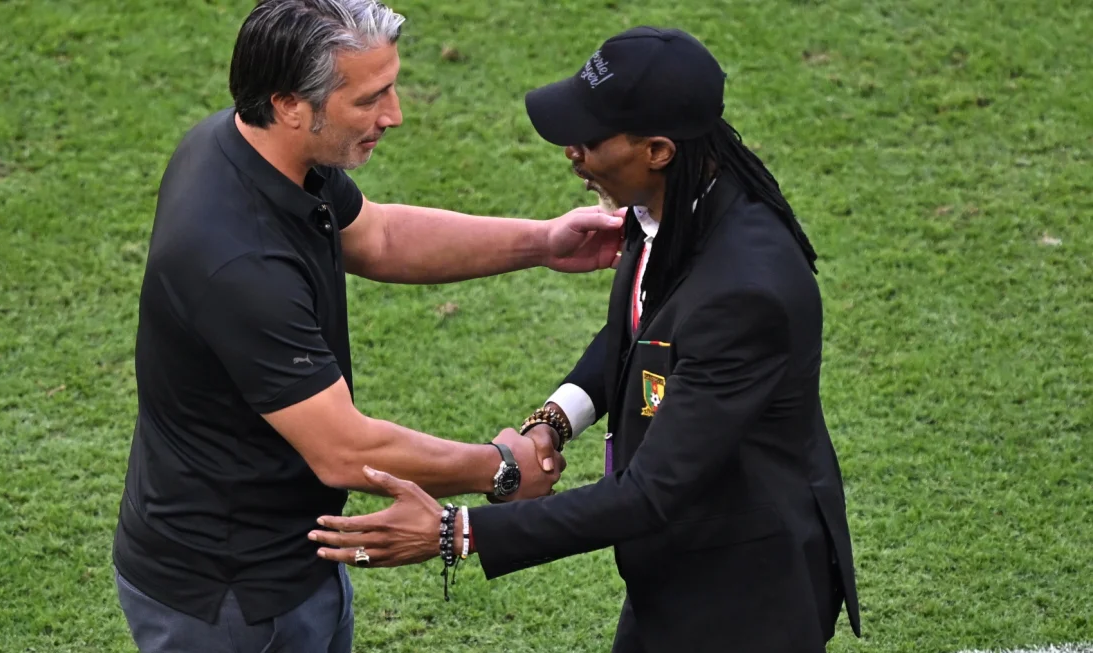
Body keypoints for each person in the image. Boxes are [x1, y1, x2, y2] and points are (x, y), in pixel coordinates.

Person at [310, 26, 862, 653]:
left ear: (657, 149)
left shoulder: (745, 291)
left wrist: (455, 531)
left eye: (591, 137)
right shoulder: (670, 209)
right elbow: (639, 335)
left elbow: (653, 491)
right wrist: (553, 422)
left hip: (744, 598)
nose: (571, 149)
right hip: (678, 569)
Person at [111, 1, 623, 651]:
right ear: (291, 103)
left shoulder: (255, 145)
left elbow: (376, 235)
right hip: (231, 595)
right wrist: (498, 467)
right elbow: (343, 449)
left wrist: (544, 242)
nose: (395, 115)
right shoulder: (237, 264)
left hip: (284, 558)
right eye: (371, 98)